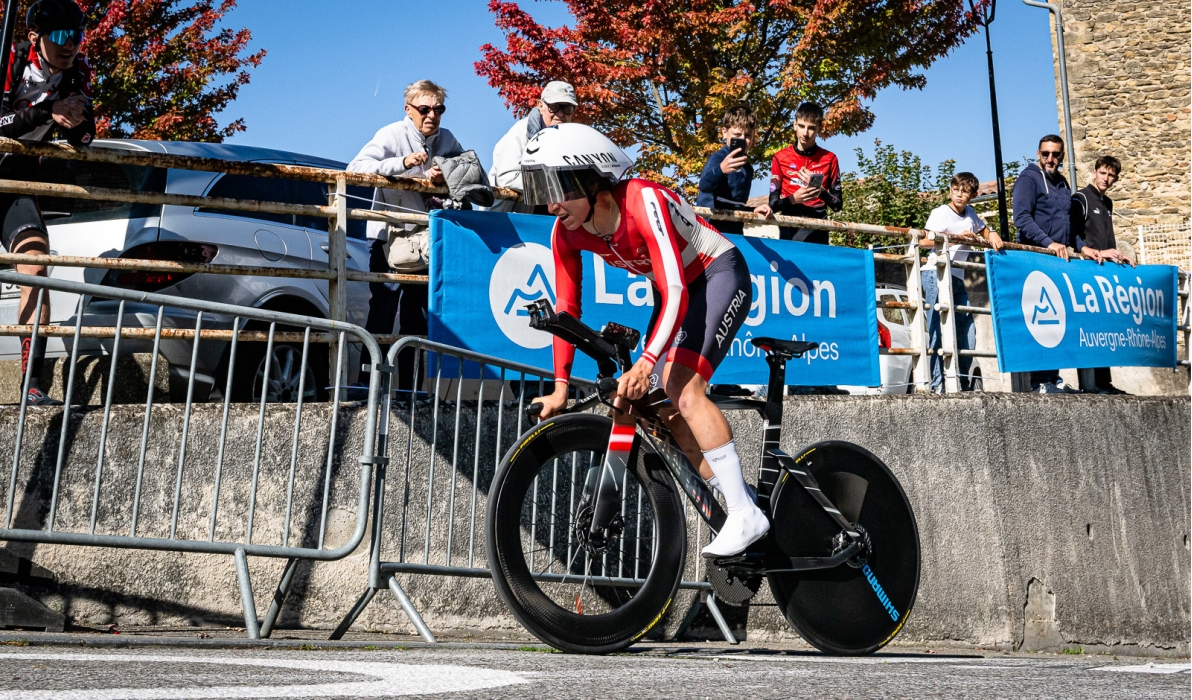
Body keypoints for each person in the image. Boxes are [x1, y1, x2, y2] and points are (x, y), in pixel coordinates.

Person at [525, 123, 767, 558]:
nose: (551, 204)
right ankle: (739, 498)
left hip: (716, 274)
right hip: (674, 291)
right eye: (542, 191)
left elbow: (675, 288)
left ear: (591, 180)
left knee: (682, 389)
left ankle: (745, 513)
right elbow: (566, 311)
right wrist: (560, 387)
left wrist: (646, 360)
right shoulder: (565, 232)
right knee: (654, 405)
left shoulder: (642, 198)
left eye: (558, 189)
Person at [0, 0, 94, 406]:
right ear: (35, 37)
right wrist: (46, 112)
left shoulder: (78, 71)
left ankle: (32, 386)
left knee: (36, 266)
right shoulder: (9, 59)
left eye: (77, 36)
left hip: (14, 180)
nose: (70, 44)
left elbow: (85, 133)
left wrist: (75, 123)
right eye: (60, 36)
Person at [347, 79, 463, 391]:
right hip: (389, 238)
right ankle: (368, 385)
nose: (432, 115)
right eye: (424, 109)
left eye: (439, 109)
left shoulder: (448, 139)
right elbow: (355, 167)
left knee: (418, 319)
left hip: (427, 240)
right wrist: (401, 163)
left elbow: (468, 174)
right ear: (408, 109)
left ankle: (411, 390)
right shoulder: (392, 134)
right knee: (382, 314)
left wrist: (445, 175)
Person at [1011, 134, 1089, 393]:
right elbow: (1021, 218)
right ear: (1038, 154)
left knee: (1057, 321)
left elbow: (1069, 226)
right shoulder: (1029, 179)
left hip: (1057, 263)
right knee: (1040, 320)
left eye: (1055, 154)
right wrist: (1048, 243)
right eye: (1045, 154)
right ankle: (1038, 383)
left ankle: (1053, 378)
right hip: (1035, 260)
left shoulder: (1063, 183)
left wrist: (1084, 247)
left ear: (1062, 156)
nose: (1050, 159)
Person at [918, 172, 1004, 392]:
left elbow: (983, 229)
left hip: (957, 277)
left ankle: (963, 383)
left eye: (964, 192)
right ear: (950, 190)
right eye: (955, 190)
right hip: (935, 273)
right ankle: (937, 386)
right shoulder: (941, 213)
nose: (958, 195)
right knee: (937, 329)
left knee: (968, 332)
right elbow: (925, 241)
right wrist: (956, 238)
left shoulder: (971, 214)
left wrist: (992, 233)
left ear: (972, 195)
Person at [1071, 155, 1132, 394]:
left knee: (1104, 328)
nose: (1106, 178)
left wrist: (1117, 256)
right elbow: (1073, 235)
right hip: (1086, 271)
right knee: (1089, 329)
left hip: (1105, 273)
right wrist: (1094, 252)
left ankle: (1104, 383)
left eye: (1111, 175)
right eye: (1103, 173)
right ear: (1095, 172)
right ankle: (1090, 385)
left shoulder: (1108, 203)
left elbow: (1107, 240)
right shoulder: (1081, 198)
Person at [488, 80, 578, 213]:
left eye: (567, 108)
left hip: (542, 215)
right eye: (554, 107)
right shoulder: (519, 133)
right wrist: (553, 184)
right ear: (540, 106)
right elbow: (506, 178)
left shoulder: (572, 142)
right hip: (504, 217)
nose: (560, 113)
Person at [768, 102, 842, 244]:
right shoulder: (779, 158)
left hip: (818, 226)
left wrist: (819, 191)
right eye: (801, 126)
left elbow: (837, 206)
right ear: (795, 125)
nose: (805, 133)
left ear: (819, 128)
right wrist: (793, 199)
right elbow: (773, 204)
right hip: (789, 224)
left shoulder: (830, 159)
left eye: (811, 128)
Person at [695, 103, 771, 234]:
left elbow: (737, 206)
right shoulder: (718, 158)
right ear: (724, 132)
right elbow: (704, 185)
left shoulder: (748, 168)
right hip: (710, 229)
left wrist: (753, 211)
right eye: (737, 134)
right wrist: (721, 170)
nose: (742, 139)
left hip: (734, 231)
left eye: (748, 136)